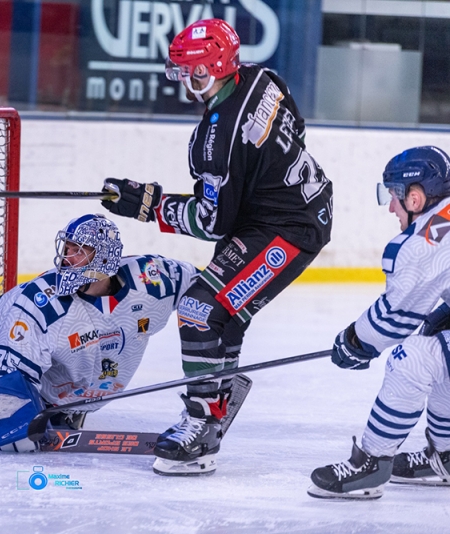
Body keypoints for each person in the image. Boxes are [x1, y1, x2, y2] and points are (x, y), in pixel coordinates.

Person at [99, 18, 333, 475]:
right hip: (288, 210)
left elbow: (212, 221)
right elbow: (296, 132)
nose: (185, 80)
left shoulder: (218, 138)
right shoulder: (265, 78)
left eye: (191, 72)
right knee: (223, 310)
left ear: (211, 69)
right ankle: (219, 394)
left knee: (201, 309)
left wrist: (148, 204)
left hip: (289, 228)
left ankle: (204, 423)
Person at [0, 213, 198, 452]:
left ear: (103, 257)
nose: (67, 257)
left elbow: (205, 286)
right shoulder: (41, 304)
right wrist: (7, 414)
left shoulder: (151, 280)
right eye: (66, 248)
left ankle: (61, 409)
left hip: (58, 386)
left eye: (78, 250)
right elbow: (7, 373)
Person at [308, 146, 450, 500]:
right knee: (440, 347)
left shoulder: (425, 240)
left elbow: (396, 317)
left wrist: (355, 341)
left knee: (413, 357)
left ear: (414, 198)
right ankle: (446, 456)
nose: (390, 208)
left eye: (393, 197)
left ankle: (371, 462)